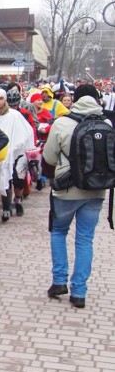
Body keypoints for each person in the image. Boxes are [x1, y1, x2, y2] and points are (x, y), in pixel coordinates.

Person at [42, 84, 108, 309]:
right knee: (85, 239)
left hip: (66, 190)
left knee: (59, 232)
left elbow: (49, 158)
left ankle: (59, 281)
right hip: (96, 189)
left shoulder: (62, 122)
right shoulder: (106, 123)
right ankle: (79, 292)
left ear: (75, 99)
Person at [0, 88, 34, 226]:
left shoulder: (14, 115)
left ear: (5, 100)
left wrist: (15, 148)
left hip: (7, 155)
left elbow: (26, 132)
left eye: (1, 99)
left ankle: (6, 208)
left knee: (5, 181)